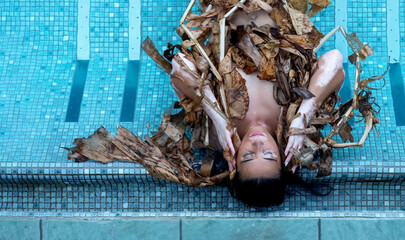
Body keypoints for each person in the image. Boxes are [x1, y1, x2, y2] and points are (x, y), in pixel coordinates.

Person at [170, 9, 345, 207]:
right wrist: (303, 116)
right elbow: (335, 60)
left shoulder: (216, 133)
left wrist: (217, 116)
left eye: (248, 156)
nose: (258, 145)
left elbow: (179, 64)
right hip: (277, 9)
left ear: (234, 163)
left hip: (228, 8)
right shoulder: (296, 128)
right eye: (269, 155)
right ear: (285, 161)